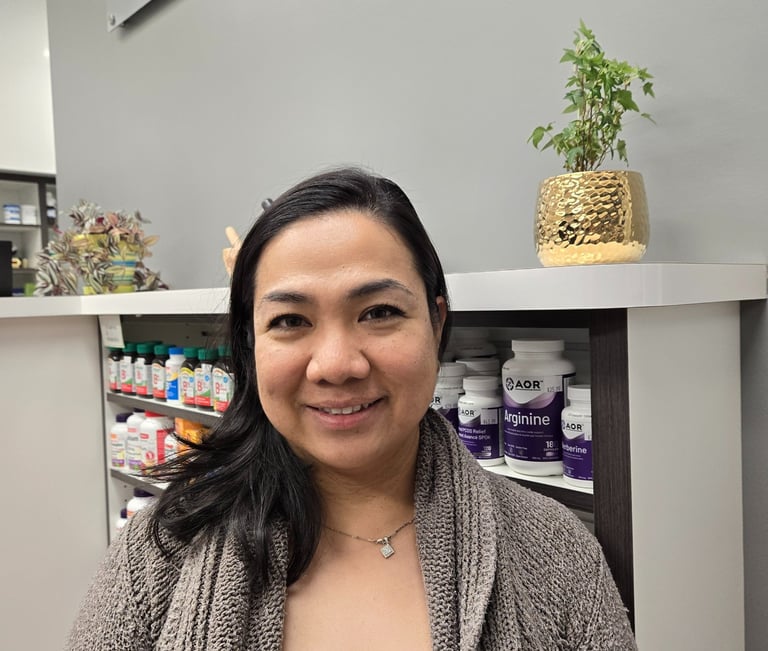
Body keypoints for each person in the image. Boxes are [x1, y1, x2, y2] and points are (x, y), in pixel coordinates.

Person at [68, 168, 636, 650]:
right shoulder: (161, 553)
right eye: (290, 321)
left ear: (437, 322)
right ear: (250, 345)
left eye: (379, 312)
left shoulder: (553, 554)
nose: (336, 364)